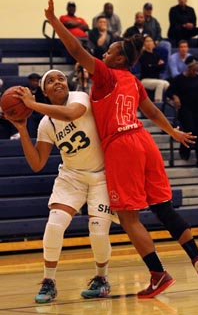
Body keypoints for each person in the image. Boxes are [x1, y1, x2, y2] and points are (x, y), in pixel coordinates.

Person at [43, 0, 198, 299]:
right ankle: (195, 256)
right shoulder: (132, 79)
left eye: (111, 50)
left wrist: (54, 22)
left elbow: (76, 50)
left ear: (117, 59)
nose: (106, 50)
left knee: (129, 218)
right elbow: (153, 112)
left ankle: (158, 274)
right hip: (145, 141)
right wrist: (173, 132)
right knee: (163, 207)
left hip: (121, 145)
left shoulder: (105, 74)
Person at [6, 69, 119, 303]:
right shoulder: (46, 124)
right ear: (45, 91)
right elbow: (37, 163)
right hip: (72, 177)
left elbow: (70, 114)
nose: (58, 82)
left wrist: (32, 104)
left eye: (61, 79)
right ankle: (49, 282)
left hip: (102, 175)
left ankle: (101, 278)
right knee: (55, 225)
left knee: (98, 231)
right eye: (51, 81)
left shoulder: (80, 98)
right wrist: (22, 129)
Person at [167, 55, 198, 166]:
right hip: (185, 109)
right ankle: (185, 151)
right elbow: (169, 92)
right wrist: (175, 97)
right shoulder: (179, 79)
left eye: (196, 69)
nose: (194, 72)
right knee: (190, 129)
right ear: (188, 68)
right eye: (193, 69)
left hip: (197, 109)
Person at [139, 35, 169, 102]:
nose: (149, 43)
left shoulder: (156, 55)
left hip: (156, 78)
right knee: (160, 84)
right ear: (144, 44)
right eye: (147, 41)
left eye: (150, 41)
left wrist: (153, 66)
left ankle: (168, 102)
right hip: (145, 79)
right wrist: (156, 66)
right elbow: (147, 69)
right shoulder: (143, 55)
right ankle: (158, 103)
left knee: (167, 84)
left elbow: (162, 67)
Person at [26, 73, 48, 138]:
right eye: (33, 81)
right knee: (30, 118)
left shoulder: (41, 90)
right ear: (29, 81)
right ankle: (32, 138)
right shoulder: (24, 90)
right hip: (27, 112)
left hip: (39, 111)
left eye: (37, 81)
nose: (35, 83)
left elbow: (45, 103)